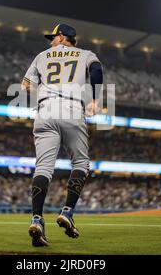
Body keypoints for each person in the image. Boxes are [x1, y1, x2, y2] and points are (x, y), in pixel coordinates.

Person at [21, 23, 103, 247]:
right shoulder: (86, 54)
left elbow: (25, 85)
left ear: (62, 38)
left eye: (53, 37)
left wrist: (46, 94)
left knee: (43, 168)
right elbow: (96, 70)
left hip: (45, 110)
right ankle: (67, 212)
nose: (50, 41)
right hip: (72, 109)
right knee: (81, 163)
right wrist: (95, 100)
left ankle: (37, 219)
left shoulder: (42, 56)